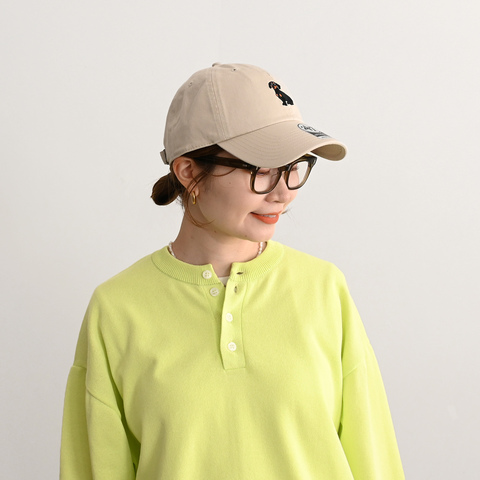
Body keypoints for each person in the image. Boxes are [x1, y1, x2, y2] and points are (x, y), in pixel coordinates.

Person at [60, 63, 404, 479]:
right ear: (189, 172)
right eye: (262, 169)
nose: (283, 193)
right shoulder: (116, 309)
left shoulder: (324, 289)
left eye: (294, 167)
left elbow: (375, 461)